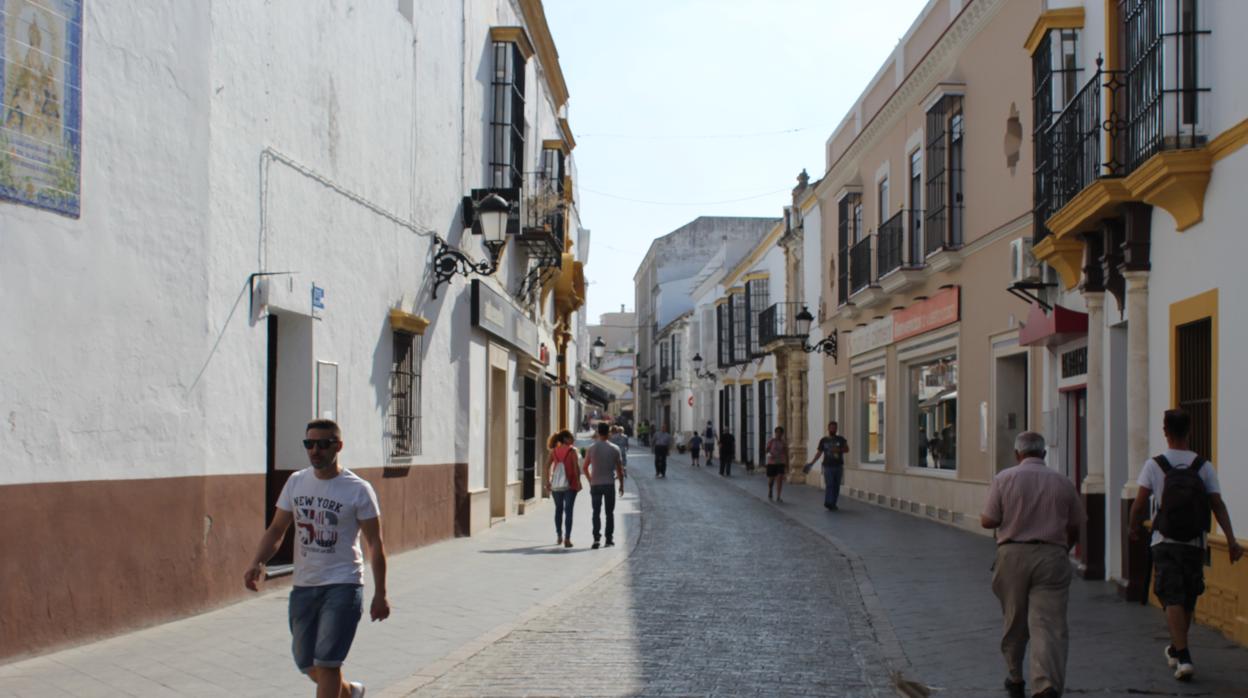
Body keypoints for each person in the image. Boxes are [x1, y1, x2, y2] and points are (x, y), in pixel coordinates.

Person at [244, 419, 388, 698]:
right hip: (305, 585)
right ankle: (351, 694)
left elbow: (375, 543)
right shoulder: (297, 482)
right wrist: (257, 561)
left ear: (338, 446)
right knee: (307, 662)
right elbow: (277, 528)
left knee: (328, 662)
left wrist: (380, 593)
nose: (315, 450)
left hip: (343, 585)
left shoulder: (358, 489)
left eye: (323, 444)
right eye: (309, 444)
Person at [1129, 409, 1242, 682]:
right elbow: (1218, 505)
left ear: (1165, 431)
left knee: (1172, 597)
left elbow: (1140, 502)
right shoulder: (1203, 466)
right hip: (1194, 543)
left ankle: (1184, 655)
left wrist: (1133, 528)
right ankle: (1178, 650)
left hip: (1164, 542)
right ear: (1189, 431)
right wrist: (1231, 540)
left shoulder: (1154, 465)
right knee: (1188, 596)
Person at [980, 431, 1083, 698]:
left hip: (1012, 555)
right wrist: (1063, 548)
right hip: (1052, 556)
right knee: (1049, 624)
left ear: (1017, 454)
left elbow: (988, 521)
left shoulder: (1004, 479)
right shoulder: (1063, 482)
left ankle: (1015, 676)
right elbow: (1076, 525)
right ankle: (1046, 683)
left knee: (1014, 618)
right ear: (1044, 454)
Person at [584, 422, 625, 549]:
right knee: (609, 513)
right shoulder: (615, 449)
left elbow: (584, 468)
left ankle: (596, 539)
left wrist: (590, 480)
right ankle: (609, 539)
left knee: (596, 512)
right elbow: (620, 470)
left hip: (595, 484)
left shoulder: (591, 448)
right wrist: (621, 485)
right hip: (609, 484)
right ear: (609, 433)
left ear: (598, 432)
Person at [546, 430, 582, 548]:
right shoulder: (572, 451)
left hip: (556, 485)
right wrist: (578, 482)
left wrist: (548, 482)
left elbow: (547, 467)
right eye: (571, 437)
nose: (573, 439)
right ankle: (567, 538)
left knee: (558, 510)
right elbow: (576, 468)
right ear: (566, 439)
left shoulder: (554, 451)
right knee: (569, 511)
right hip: (570, 485)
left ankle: (559, 536)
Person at [805, 421, 849, 510]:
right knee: (829, 484)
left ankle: (833, 503)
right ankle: (828, 502)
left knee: (836, 485)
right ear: (828, 429)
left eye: (835, 427)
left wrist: (839, 449)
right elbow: (819, 453)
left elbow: (847, 449)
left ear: (836, 429)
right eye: (831, 427)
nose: (833, 429)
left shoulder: (841, 439)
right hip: (827, 466)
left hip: (838, 466)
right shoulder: (823, 440)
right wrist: (811, 463)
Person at [765, 426, 788, 502]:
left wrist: (786, 463)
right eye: (777, 432)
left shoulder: (783, 442)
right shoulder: (771, 441)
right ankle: (770, 489)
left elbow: (785, 452)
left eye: (780, 432)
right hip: (772, 462)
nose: (778, 434)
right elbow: (767, 450)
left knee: (780, 479)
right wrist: (769, 453)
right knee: (771, 480)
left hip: (780, 462)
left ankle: (778, 496)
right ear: (775, 433)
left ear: (782, 434)